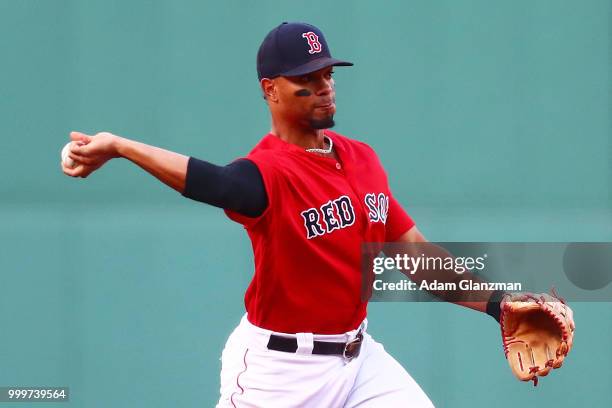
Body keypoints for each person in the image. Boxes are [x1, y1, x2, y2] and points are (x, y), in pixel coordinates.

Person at [61, 22, 570, 407]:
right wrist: (122, 147)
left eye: (327, 73)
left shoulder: (363, 158)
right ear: (270, 89)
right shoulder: (268, 173)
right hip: (277, 373)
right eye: (307, 77)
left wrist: (498, 303)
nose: (324, 85)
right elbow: (212, 182)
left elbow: (414, 254)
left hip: (358, 359)